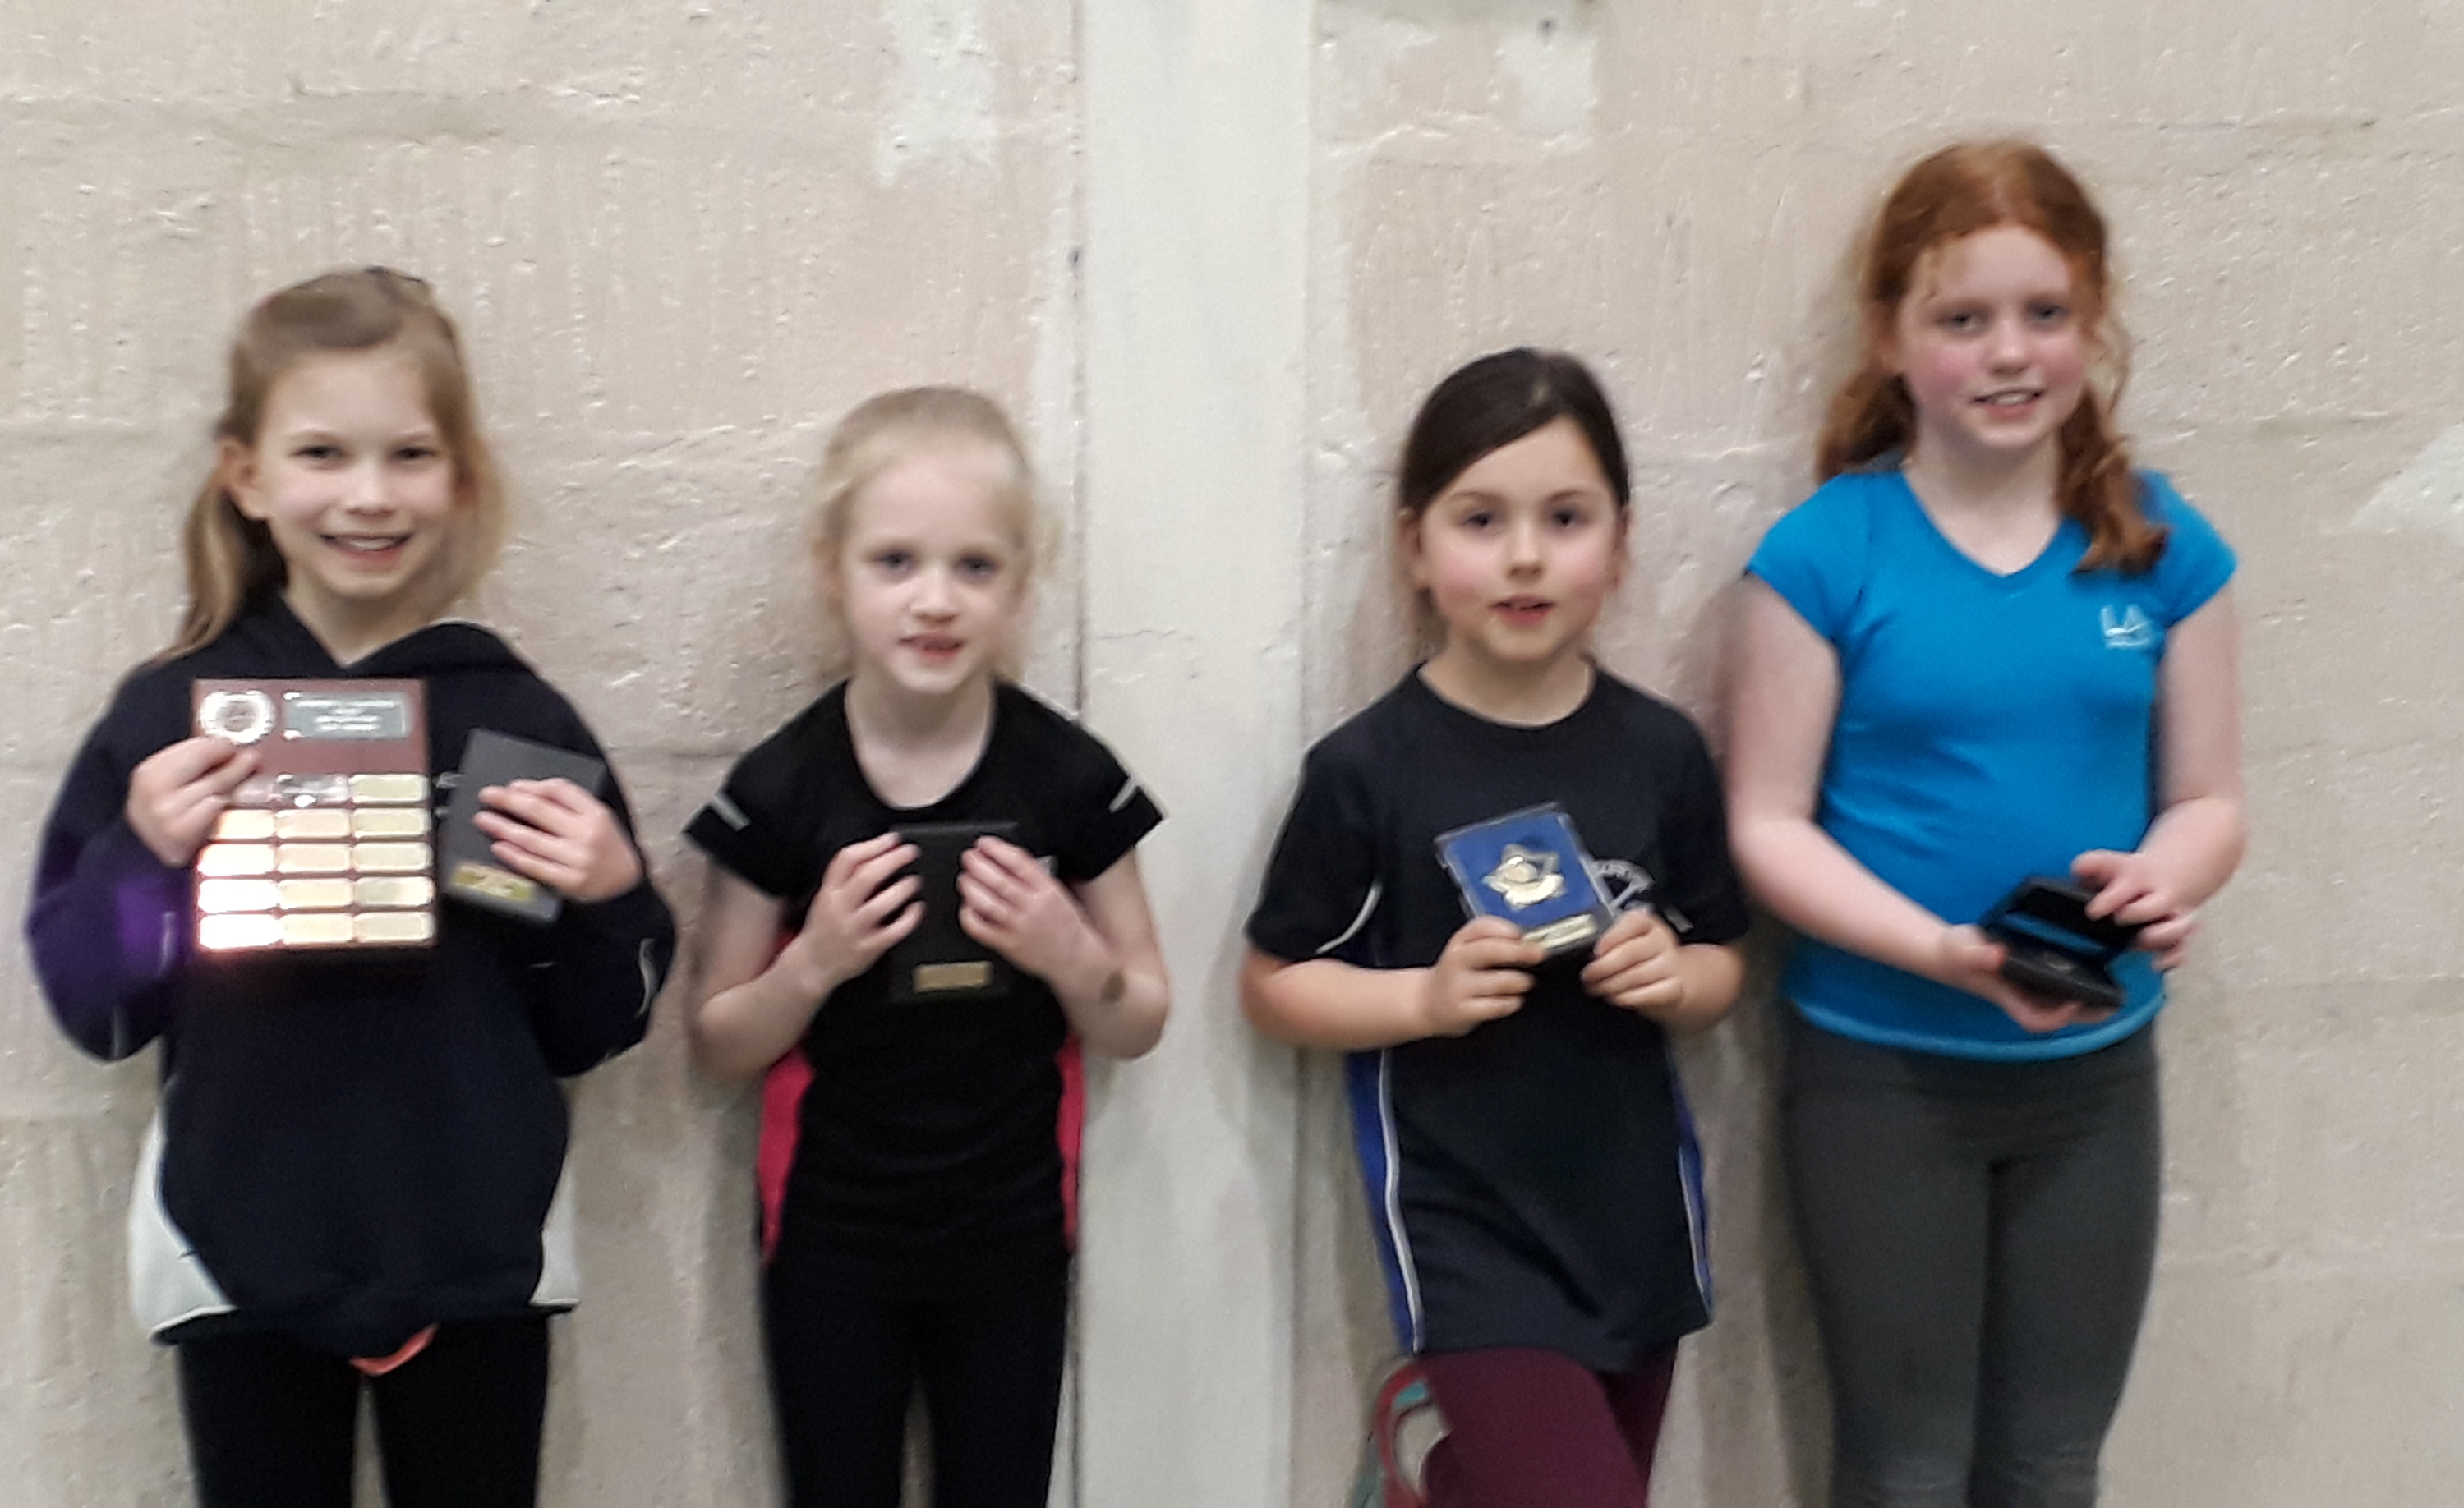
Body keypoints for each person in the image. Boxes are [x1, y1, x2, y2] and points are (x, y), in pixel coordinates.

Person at [24, 266, 675, 1508]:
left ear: (461, 479)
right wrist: (141, 861)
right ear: (247, 475)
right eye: (322, 452)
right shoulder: (170, 719)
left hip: (478, 1253)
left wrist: (612, 897)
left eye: (409, 454)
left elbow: (591, 1028)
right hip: (237, 1248)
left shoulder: (516, 720)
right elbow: (95, 1013)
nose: (368, 494)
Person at [1726, 140, 2248, 1507]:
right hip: (1882, 1076)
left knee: (2049, 1466)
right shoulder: (1823, 555)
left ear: (2093, 322)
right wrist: (1941, 954)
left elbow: (2208, 801)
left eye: (2044, 313)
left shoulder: (2160, 545)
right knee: (1903, 1471)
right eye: (1962, 319)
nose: (2009, 352)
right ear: (1891, 339)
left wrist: (2164, 877)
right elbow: (1767, 827)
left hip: (2094, 1080)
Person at [1242, 349, 1749, 1508]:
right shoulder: (1368, 769)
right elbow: (1272, 983)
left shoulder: (1662, 752)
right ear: (1414, 549)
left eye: (1565, 518)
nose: (1525, 555)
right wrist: (1420, 998)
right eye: (1481, 520)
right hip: (1466, 1231)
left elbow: (1724, 958)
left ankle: (1440, 1479)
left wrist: (1678, 976)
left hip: (1635, 1223)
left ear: (1620, 544)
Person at [684, 388, 1170, 1508]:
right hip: (830, 1236)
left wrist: (1067, 952)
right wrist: (815, 961)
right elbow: (717, 1041)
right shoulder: (783, 786)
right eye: (895, 562)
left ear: (1021, 586)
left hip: (1013, 1233)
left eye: (975, 567)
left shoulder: (1068, 776)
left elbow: (1140, 1017)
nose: (936, 600)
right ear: (833, 572)